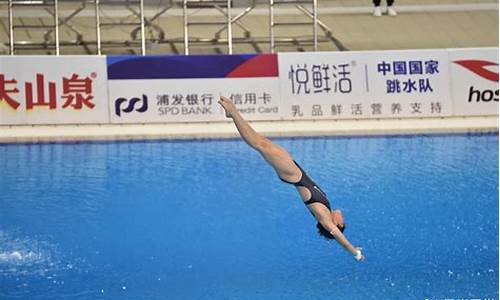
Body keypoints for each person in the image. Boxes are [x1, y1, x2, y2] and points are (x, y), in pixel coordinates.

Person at [218, 96, 364, 261]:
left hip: (293, 175)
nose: (342, 216)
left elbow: (340, 239)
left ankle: (233, 113)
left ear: (338, 225)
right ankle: (233, 114)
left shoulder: (324, 218)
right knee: (261, 142)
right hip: (294, 171)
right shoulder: (326, 209)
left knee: (259, 144)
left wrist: (354, 252)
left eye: (342, 221)